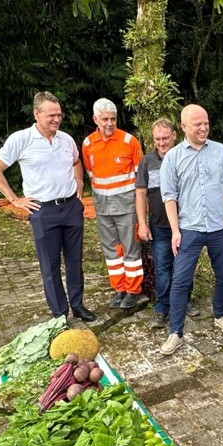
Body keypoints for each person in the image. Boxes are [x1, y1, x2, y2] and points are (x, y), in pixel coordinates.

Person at [0, 91, 95, 322]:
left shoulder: (65, 139)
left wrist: (79, 181)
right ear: (37, 114)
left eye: (59, 114)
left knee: (75, 262)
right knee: (51, 266)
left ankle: (78, 305)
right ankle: (59, 314)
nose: (57, 119)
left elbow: (76, 161)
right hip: (43, 211)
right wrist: (15, 200)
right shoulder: (21, 139)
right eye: (51, 115)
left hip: (71, 208)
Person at [160, 104, 223, 355]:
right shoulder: (173, 157)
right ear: (184, 127)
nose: (203, 127)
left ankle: (220, 314)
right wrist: (175, 230)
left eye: (206, 122)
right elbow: (169, 197)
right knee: (180, 281)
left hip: (218, 227)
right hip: (189, 229)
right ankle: (176, 332)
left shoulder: (221, 151)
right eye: (197, 124)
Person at [135, 118, 199, 328]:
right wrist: (142, 224)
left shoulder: (186, 157)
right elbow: (141, 194)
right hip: (159, 226)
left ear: (174, 136)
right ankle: (162, 308)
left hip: (186, 224)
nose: (161, 143)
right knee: (162, 268)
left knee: (184, 267)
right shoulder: (147, 161)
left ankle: (185, 301)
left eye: (165, 138)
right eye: (157, 139)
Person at [82, 99, 144, 309]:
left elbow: (141, 178)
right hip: (102, 207)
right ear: (95, 119)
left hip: (127, 207)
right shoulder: (88, 144)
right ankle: (119, 288)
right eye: (105, 119)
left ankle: (134, 290)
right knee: (111, 250)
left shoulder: (129, 141)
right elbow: (92, 174)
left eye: (113, 119)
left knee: (130, 249)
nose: (109, 123)